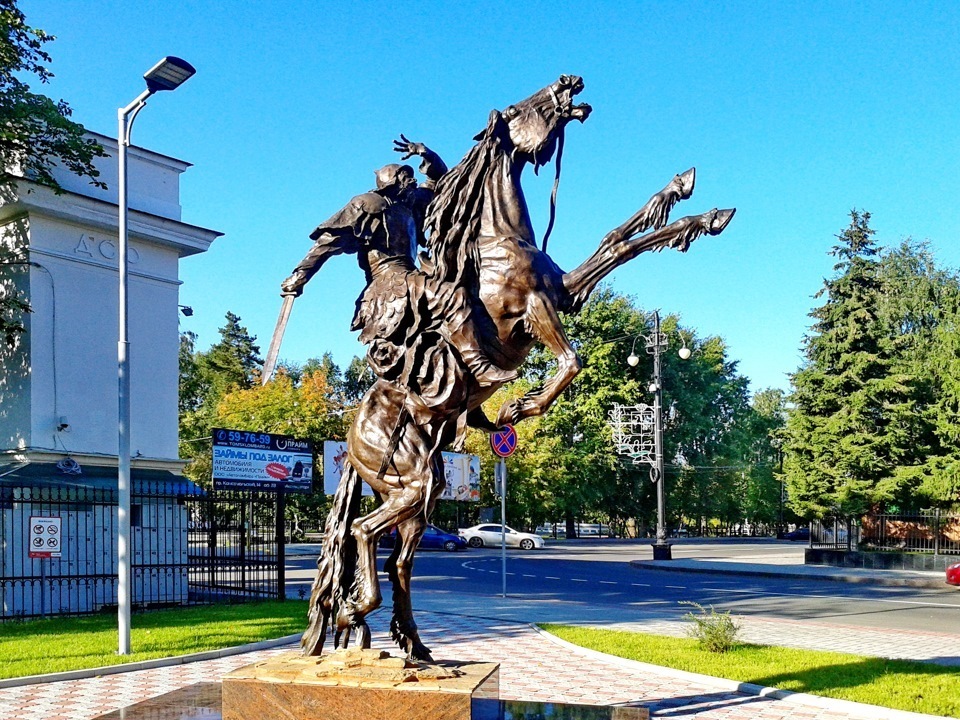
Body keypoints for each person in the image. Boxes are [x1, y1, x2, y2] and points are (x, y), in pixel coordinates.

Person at [281, 137, 515, 388]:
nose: (411, 181)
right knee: (451, 296)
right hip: (387, 282)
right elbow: (328, 242)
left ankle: (459, 385)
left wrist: (427, 154)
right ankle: (478, 367)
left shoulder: (410, 204)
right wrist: (300, 275)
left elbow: (440, 183)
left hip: (411, 275)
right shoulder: (369, 205)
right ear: (391, 181)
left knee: (469, 291)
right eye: (405, 177)